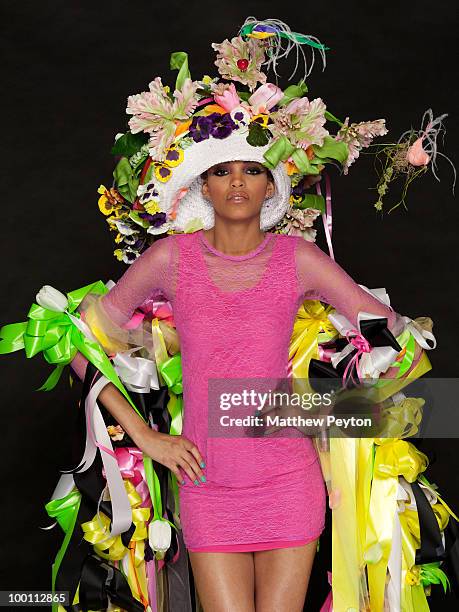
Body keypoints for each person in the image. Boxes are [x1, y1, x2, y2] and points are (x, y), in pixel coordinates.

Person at [1, 16, 455, 612]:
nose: (237, 182)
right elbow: (79, 343)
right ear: (202, 187)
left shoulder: (300, 260)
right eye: (222, 171)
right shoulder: (170, 260)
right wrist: (144, 437)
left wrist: (331, 414)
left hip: (290, 482)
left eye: (251, 171)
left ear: (270, 188)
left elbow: (403, 342)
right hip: (207, 485)